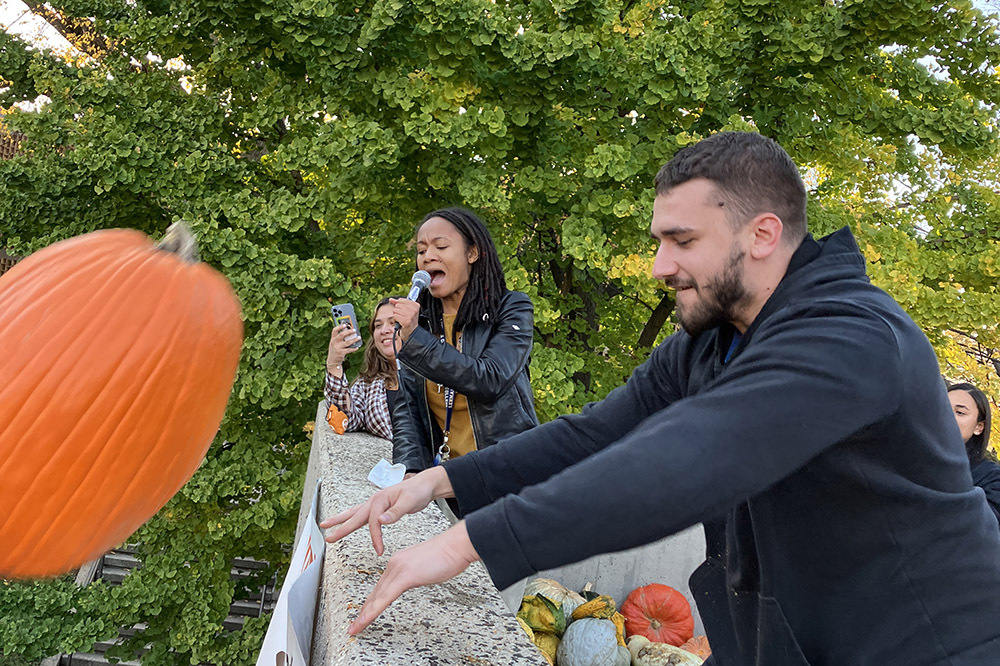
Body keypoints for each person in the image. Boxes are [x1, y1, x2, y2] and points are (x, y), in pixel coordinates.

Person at [324, 133, 1000, 665]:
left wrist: (473, 539)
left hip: (927, 644)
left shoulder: (851, 335)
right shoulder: (712, 340)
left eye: (683, 241)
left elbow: (688, 461)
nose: (659, 266)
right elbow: (592, 434)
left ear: (762, 235)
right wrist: (439, 480)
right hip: (785, 638)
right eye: (658, 241)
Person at [387, 206, 539, 474]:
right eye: (421, 251)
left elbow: (490, 379)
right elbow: (408, 410)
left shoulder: (512, 308)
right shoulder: (421, 324)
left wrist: (417, 341)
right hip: (447, 480)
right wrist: (410, 469)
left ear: (472, 253)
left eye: (441, 247)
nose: (427, 257)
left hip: (507, 473)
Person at [323, 297, 399, 440]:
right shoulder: (367, 386)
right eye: (378, 325)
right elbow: (343, 423)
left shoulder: (432, 376)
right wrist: (334, 364)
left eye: (393, 323)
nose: (384, 330)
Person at [948, 382, 1000, 525]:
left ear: (978, 427)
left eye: (960, 412)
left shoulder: (990, 477)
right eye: (942, 408)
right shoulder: (904, 457)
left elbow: (986, 530)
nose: (946, 416)